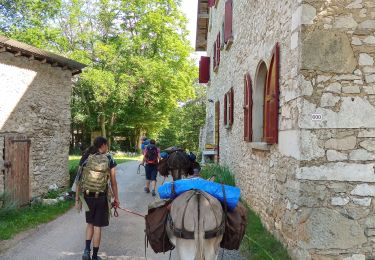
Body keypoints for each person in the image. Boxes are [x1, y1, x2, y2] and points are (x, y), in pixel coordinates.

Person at [75, 136, 119, 260]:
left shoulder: (86, 156)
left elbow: (78, 179)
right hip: (101, 197)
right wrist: (116, 198)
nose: (108, 147)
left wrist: (77, 199)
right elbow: (114, 182)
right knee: (97, 226)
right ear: (103, 145)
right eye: (107, 145)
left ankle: (85, 251)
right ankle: (94, 256)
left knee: (90, 223)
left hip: (88, 196)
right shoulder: (109, 158)